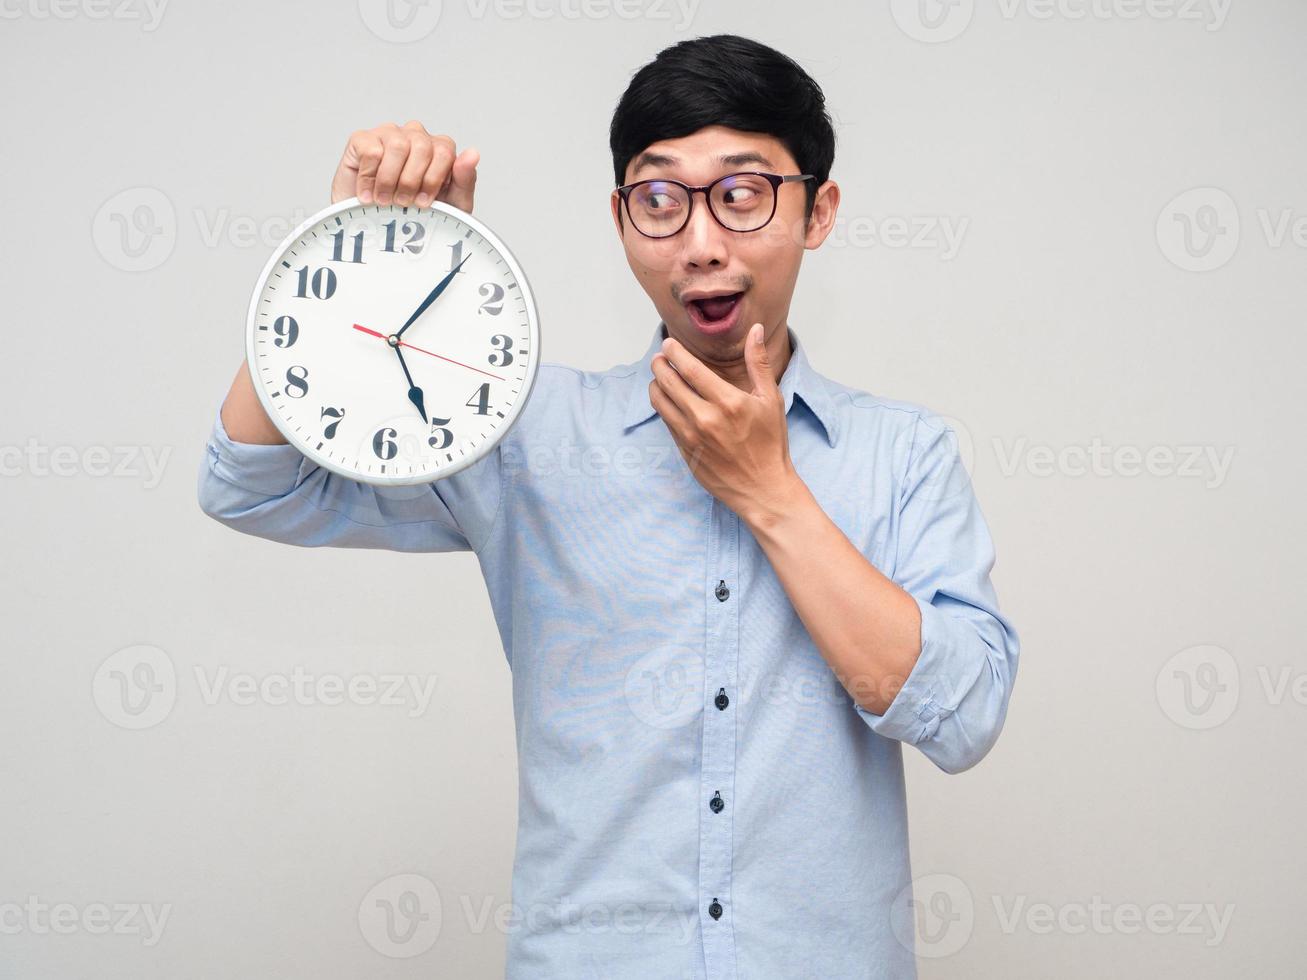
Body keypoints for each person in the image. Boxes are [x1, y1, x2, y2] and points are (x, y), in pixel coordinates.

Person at [198, 33, 1020, 980]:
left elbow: (961, 718)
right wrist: (357, 252)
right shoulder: (524, 431)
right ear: (623, 220)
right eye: (660, 200)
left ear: (818, 211)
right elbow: (252, 482)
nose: (701, 245)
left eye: (743, 194)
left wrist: (770, 494)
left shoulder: (902, 453)